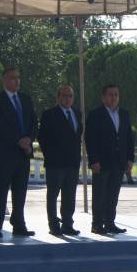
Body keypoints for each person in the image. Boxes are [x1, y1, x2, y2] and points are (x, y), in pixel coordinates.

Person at [0, 67, 37, 237]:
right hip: (4, 154)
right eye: (12, 78)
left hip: (23, 154)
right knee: (0, 191)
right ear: (4, 80)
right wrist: (19, 140)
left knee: (20, 192)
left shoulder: (26, 99)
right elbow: (0, 125)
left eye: (18, 77)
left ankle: (19, 224)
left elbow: (33, 122)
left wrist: (29, 139)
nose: (17, 81)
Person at [85, 84, 135, 235]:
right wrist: (93, 160)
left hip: (119, 162)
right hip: (101, 162)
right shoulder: (95, 114)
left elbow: (129, 138)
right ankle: (97, 224)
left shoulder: (124, 114)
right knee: (99, 194)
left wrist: (130, 158)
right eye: (110, 94)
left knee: (113, 195)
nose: (114, 97)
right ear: (103, 97)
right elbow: (90, 139)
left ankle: (110, 223)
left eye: (116, 95)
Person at [37, 84, 83, 236]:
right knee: (53, 195)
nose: (67, 99)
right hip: (55, 163)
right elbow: (42, 138)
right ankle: (54, 225)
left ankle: (67, 224)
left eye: (70, 96)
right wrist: (50, 156)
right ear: (58, 98)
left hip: (72, 163)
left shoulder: (77, 113)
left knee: (69, 195)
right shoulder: (49, 114)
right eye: (64, 96)